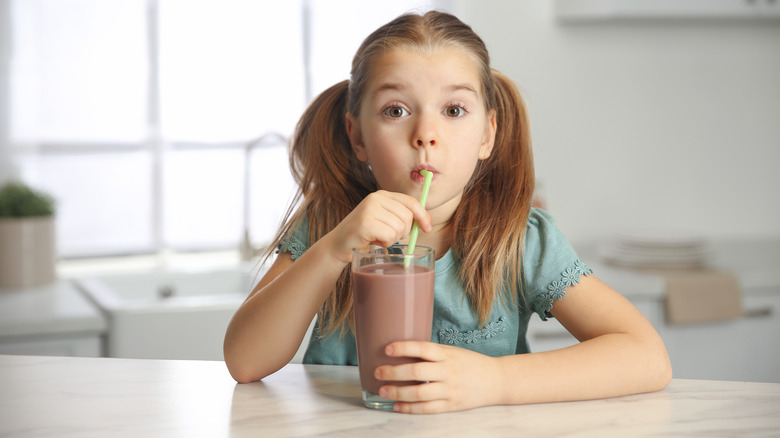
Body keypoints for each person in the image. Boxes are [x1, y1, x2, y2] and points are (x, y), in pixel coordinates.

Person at [223, 10, 672, 414]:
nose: (425, 134)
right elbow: (245, 360)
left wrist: (495, 381)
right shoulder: (331, 225)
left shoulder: (519, 240)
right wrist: (332, 251)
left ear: (487, 135)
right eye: (396, 110)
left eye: (454, 109)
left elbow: (646, 356)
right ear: (357, 136)